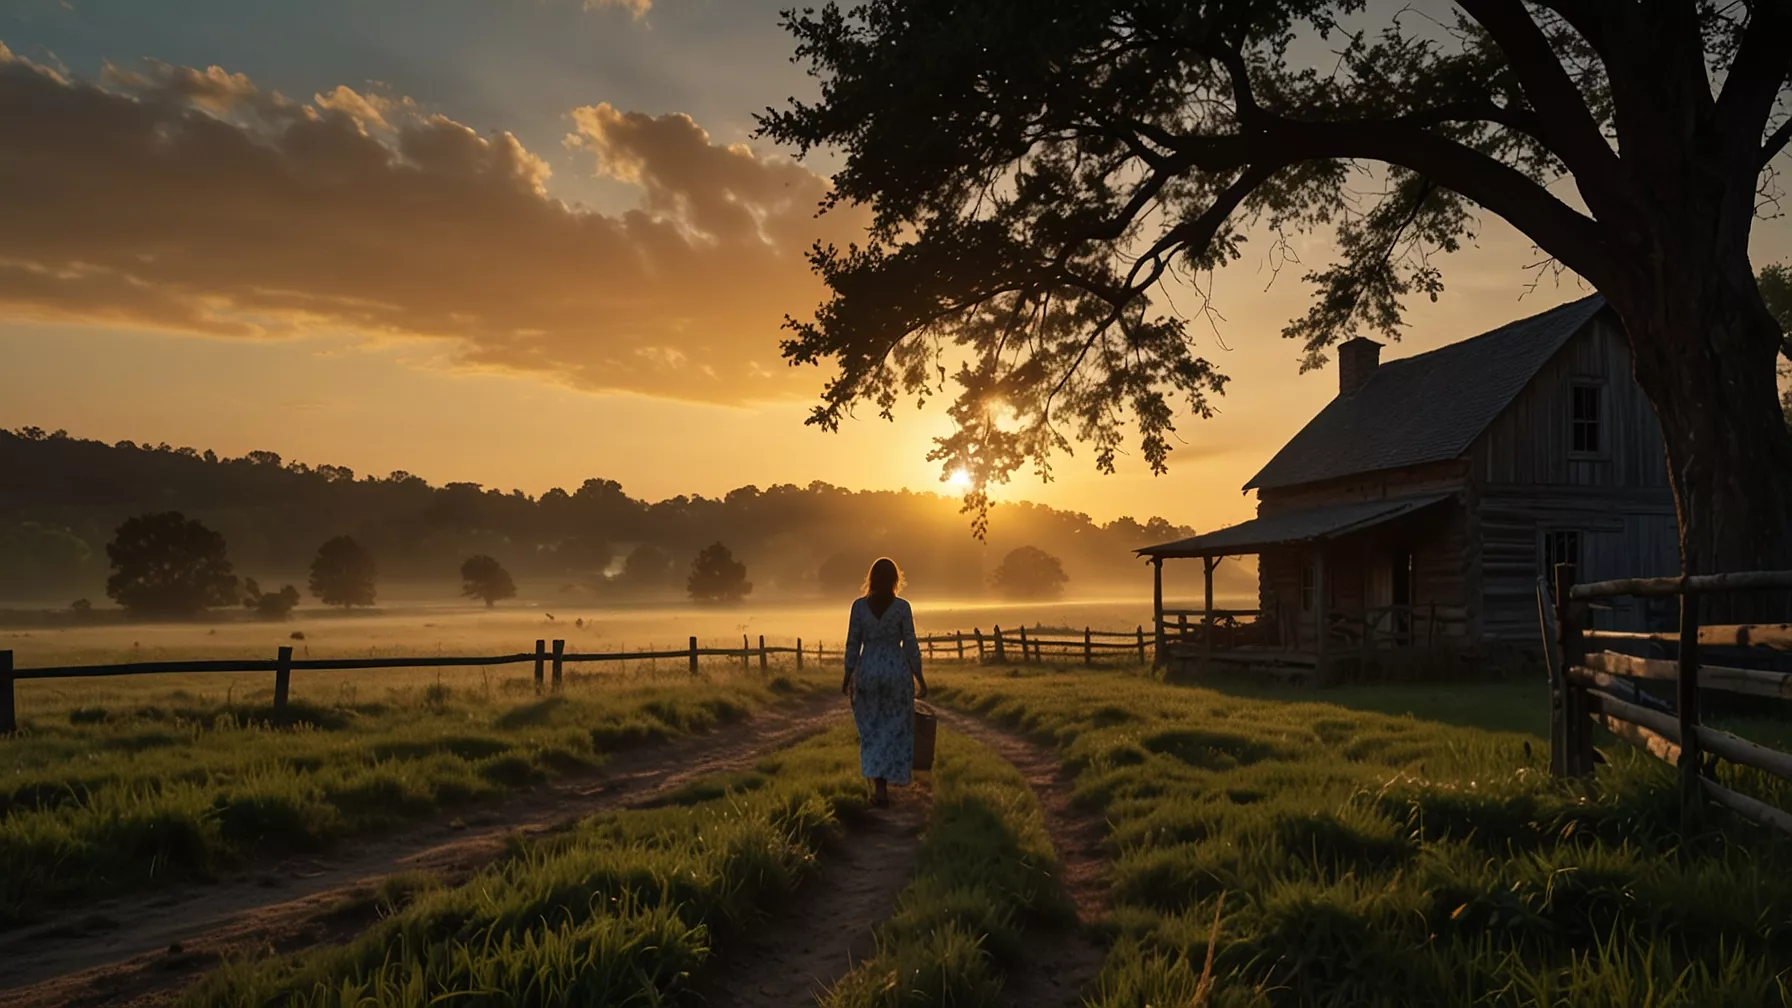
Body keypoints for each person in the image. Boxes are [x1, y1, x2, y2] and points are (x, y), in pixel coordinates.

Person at [841, 556, 927, 807]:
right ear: (895, 580)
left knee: (871, 730)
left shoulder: (858, 607)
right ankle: (890, 778)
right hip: (896, 670)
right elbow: (910, 644)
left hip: (868, 669)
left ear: (871, 579)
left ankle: (879, 787)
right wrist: (919, 675)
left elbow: (852, 644)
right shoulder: (902, 608)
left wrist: (848, 676)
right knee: (894, 727)